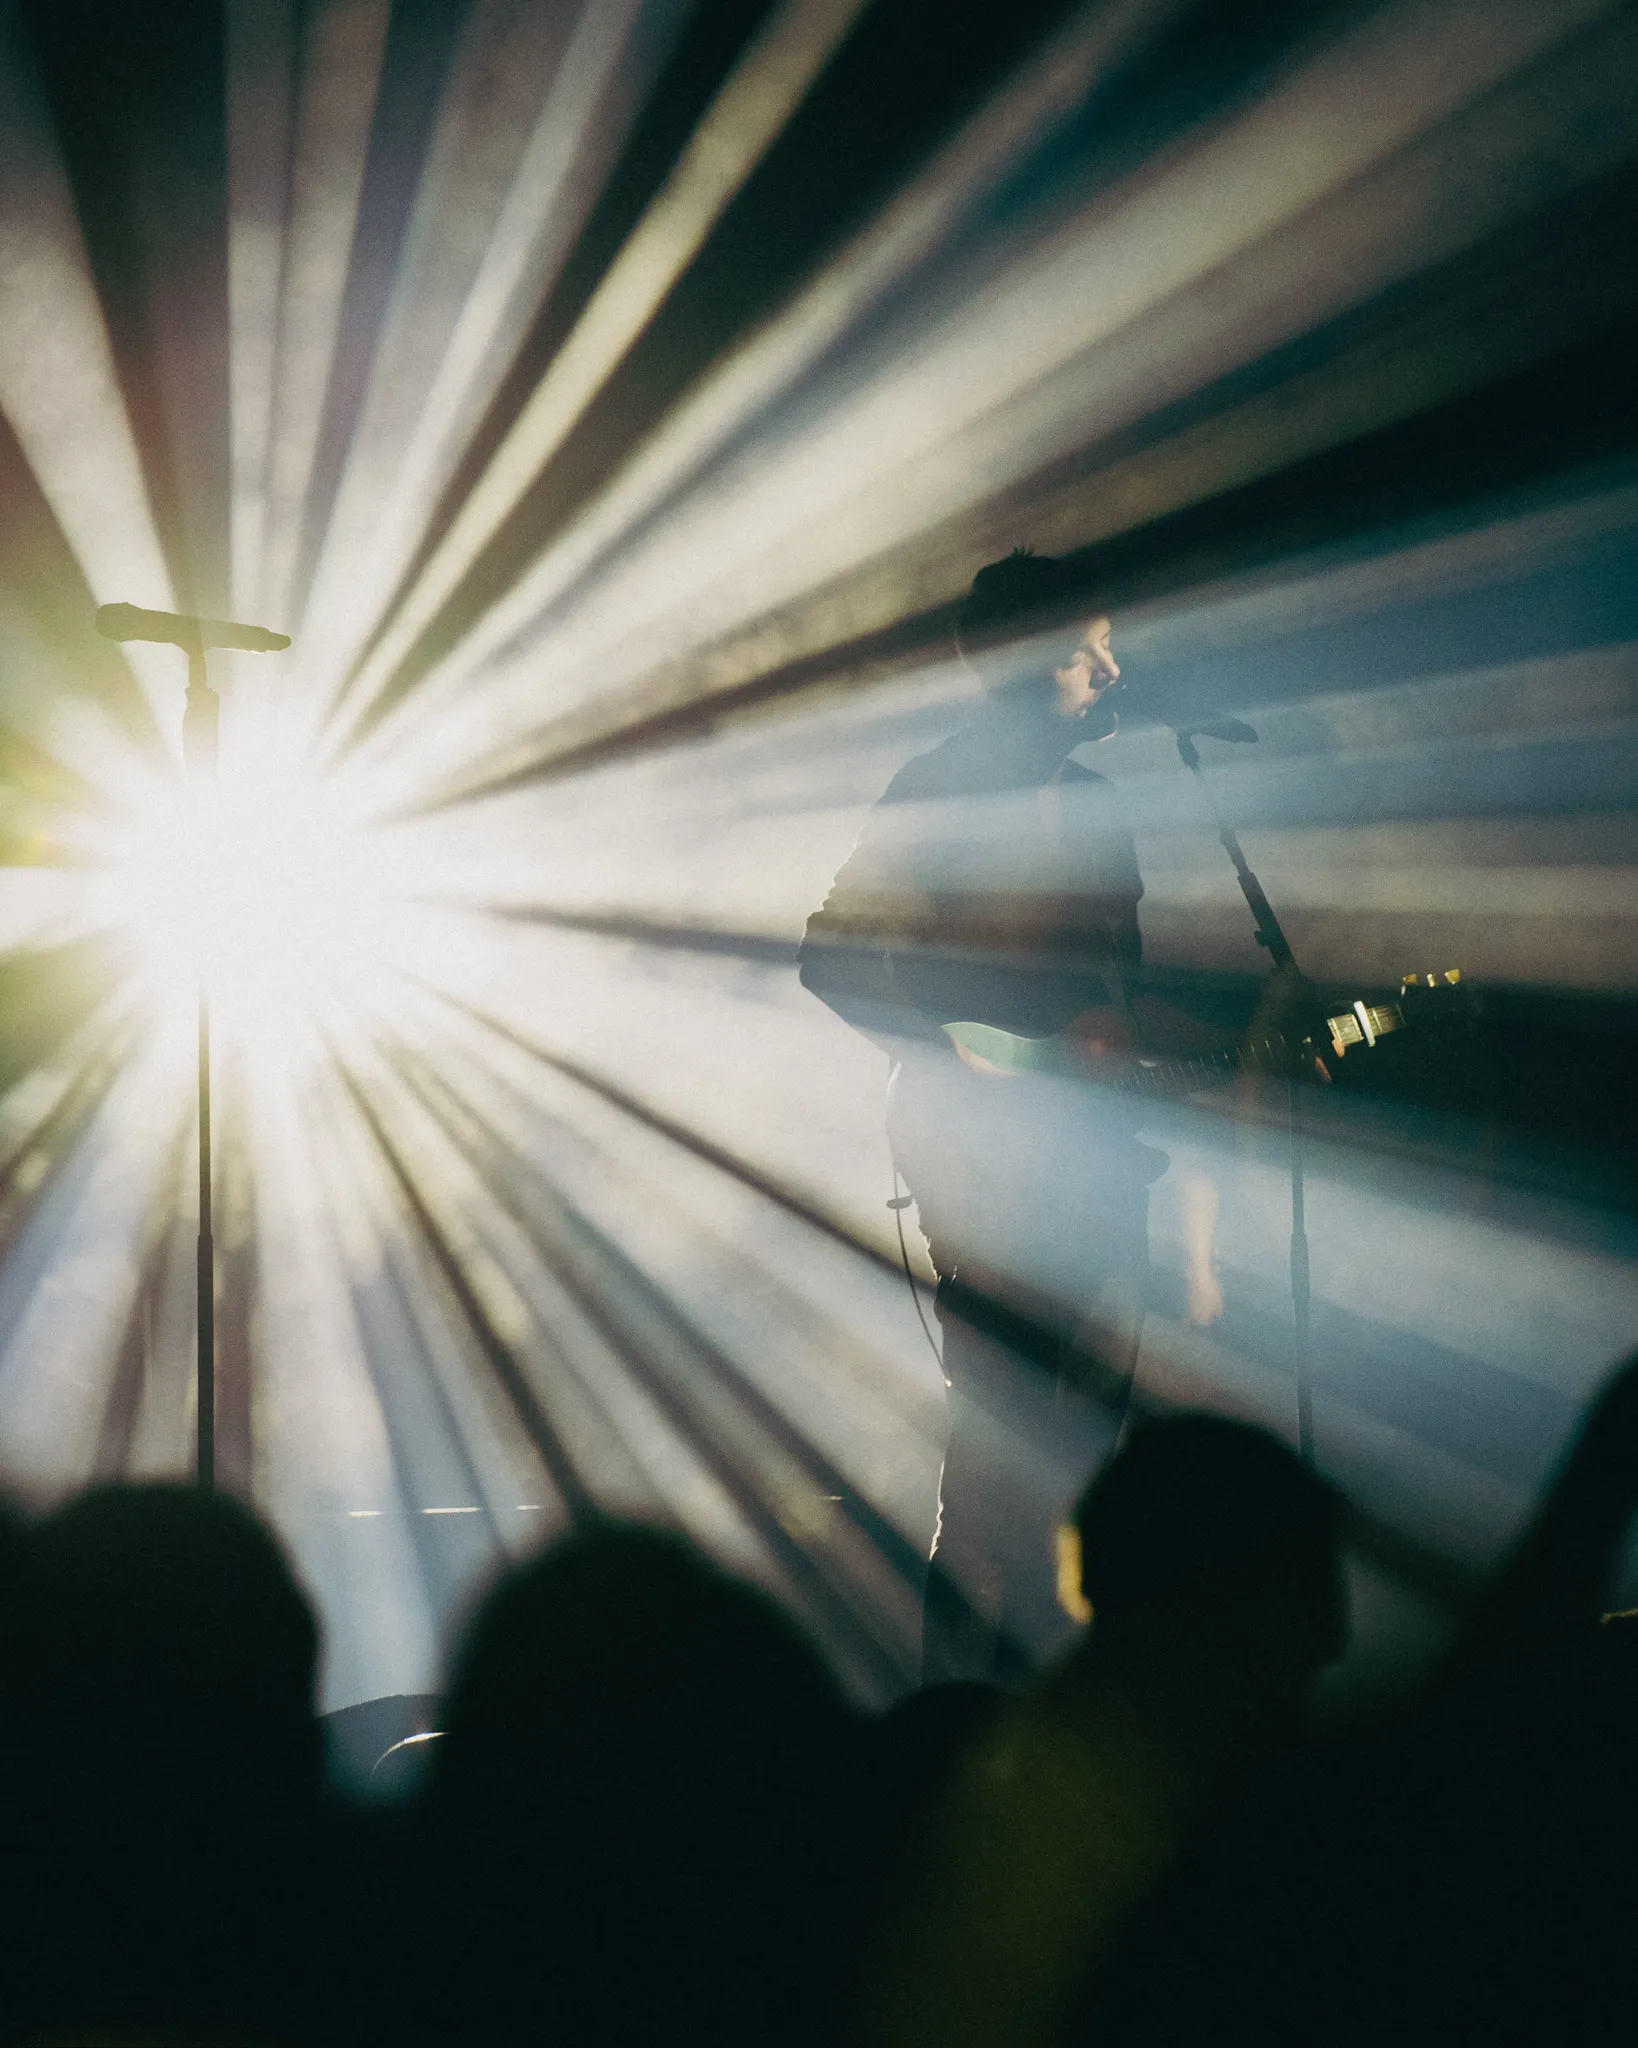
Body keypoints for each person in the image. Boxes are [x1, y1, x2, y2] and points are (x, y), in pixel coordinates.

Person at [801, 549, 1163, 1680]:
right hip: (984, 1166)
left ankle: (1061, 1695)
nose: (1113, 668)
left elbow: (1115, 1004)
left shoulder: (1104, 809)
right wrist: (982, 1060)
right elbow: (833, 954)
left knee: (1088, 1449)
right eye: (1085, 650)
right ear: (1017, 667)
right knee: (1003, 1440)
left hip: (1095, 1166)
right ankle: (953, 1711)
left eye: (1112, 646)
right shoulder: (941, 792)